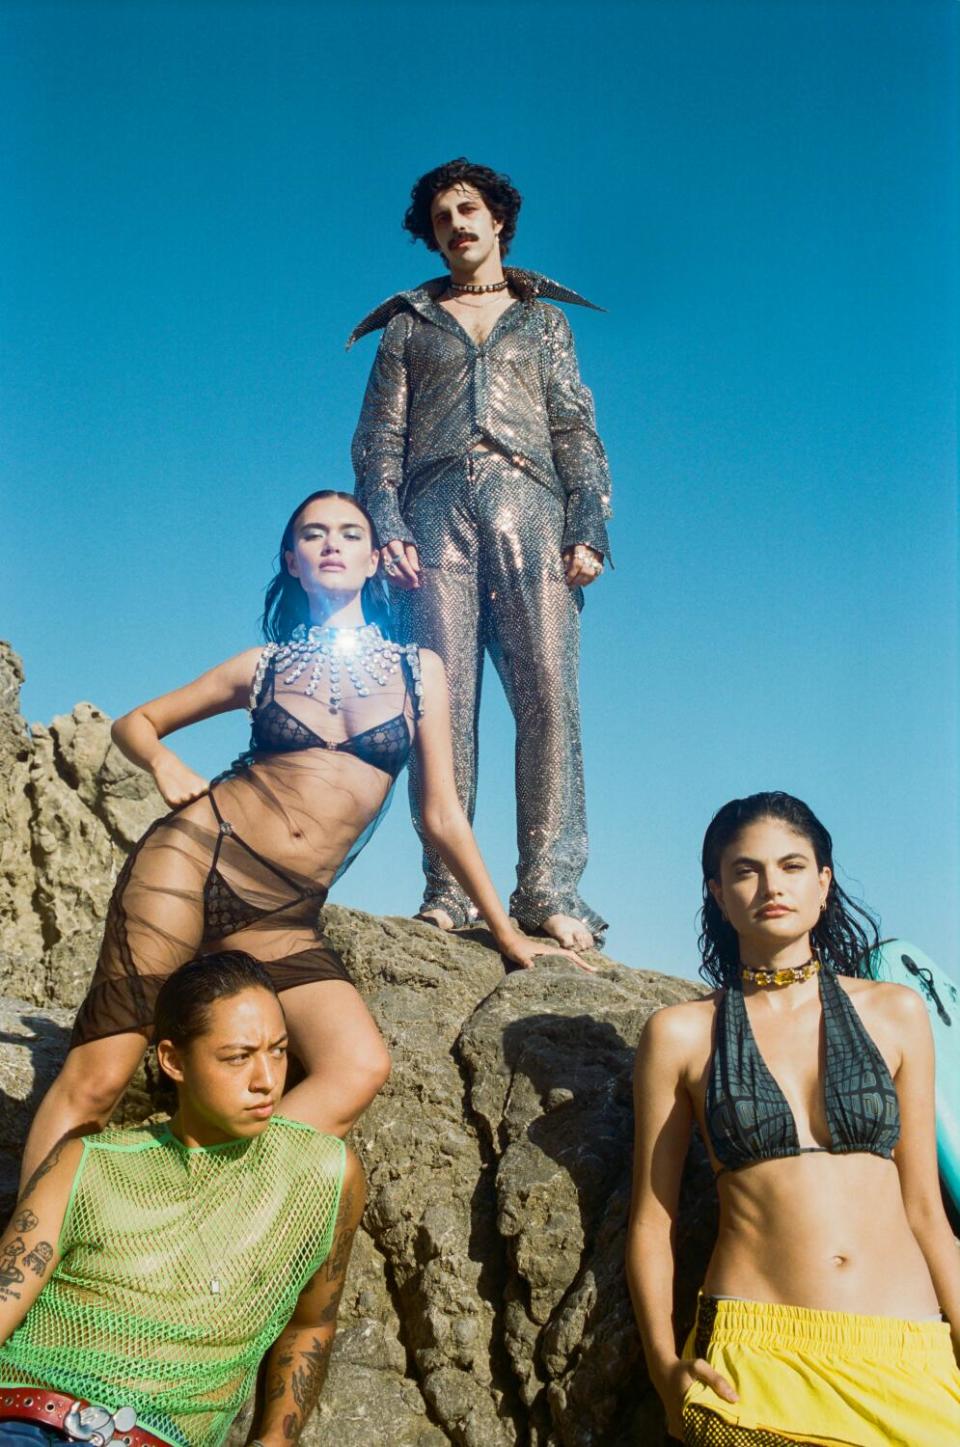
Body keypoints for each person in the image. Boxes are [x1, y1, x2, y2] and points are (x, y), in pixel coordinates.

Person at [19, 490, 588, 1188]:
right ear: (291, 560)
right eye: (313, 534)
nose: (331, 543)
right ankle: (24, 1258)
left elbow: (441, 814)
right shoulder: (261, 665)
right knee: (98, 1076)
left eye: (350, 533)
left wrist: (505, 930)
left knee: (357, 1065)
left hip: (283, 916)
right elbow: (136, 723)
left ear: (375, 556)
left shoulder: (420, 670)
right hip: (196, 855)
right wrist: (165, 763)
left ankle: (205, 1201)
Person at [626, 792, 960, 1447]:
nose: (771, 885)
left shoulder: (897, 1013)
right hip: (756, 1361)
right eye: (746, 870)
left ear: (823, 882)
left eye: (792, 865)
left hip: (911, 1353)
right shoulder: (682, 1034)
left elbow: (926, 1208)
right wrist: (665, 1368)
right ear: (718, 893)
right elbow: (651, 1218)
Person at [350, 157, 612, 952]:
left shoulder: (544, 323)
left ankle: (551, 888)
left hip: (532, 506)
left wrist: (589, 525)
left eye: (469, 210)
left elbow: (575, 428)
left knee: (549, 700)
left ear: (498, 219)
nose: (457, 225)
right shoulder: (406, 327)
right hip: (432, 519)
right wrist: (384, 522)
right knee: (441, 705)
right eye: (441, 218)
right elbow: (377, 440)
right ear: (431, 237)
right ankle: (449, 889)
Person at [0, 953, 362, 1447]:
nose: (266, 1079)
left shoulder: (322, 1174)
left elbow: (311, 1325)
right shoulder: (85, 1163)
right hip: (24, 1422)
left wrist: (274, 1441)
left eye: (278, 1051)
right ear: (173, 1060)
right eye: (238, 1057)